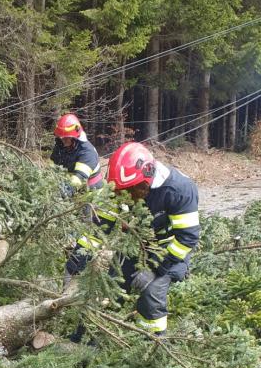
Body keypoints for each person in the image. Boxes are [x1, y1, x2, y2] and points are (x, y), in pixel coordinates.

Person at [66, 141, 199, 337]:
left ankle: (151, 344)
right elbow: (101, 227)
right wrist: (76, 261)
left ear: (147, 177)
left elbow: (187, 238)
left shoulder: (179, 190)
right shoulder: (120, 188)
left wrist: (153, 268)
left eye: (130, 191)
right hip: (135, 244)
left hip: (170, 250)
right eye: (120, 192)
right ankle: (86, 339)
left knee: (151, 293)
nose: (124, 197)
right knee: (110, 286)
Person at [50, 113, 103, 196]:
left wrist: (64, 191)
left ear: (75, 137)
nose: (63, 141)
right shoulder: (61, 145)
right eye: (61, 138)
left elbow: (79, 178)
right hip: (71, 186)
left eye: (66, 138)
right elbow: (53, 166)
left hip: (91, 193)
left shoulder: (87, 152)